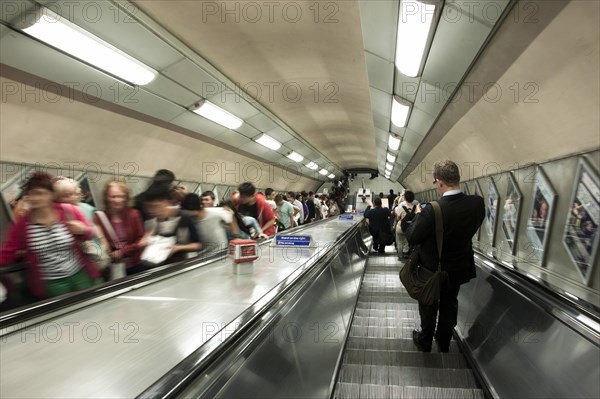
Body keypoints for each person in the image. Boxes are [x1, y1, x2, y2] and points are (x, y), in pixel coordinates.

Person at [406, 160, 485, 353]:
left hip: (432, 269)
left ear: (439, 182)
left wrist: (418, 215)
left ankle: (424, 342)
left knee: (428, 304)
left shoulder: (433, 210)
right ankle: (443, 341)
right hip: (458, 267)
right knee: (450, 303)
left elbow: (412, 236)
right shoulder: (477, 204)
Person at [0, 172, 101, 299]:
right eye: (32, 193)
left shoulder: (68, 211)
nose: (35, 198)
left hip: (81, 274)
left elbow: (91, 234)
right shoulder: (23, 226)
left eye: (40, 193)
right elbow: (8, 252)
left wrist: (84, 230)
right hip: (53, 283)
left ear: (51, 195)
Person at [94, 179, 146, 276]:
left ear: (126, 198)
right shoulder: (100, 217)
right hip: (114, 266)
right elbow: (100, 244)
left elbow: (140, 240)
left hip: (136, 264)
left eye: (121, 196)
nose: (117, 200)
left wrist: (122, 252)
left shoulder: (134, 214)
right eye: (113, 196)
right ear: (106, 197)